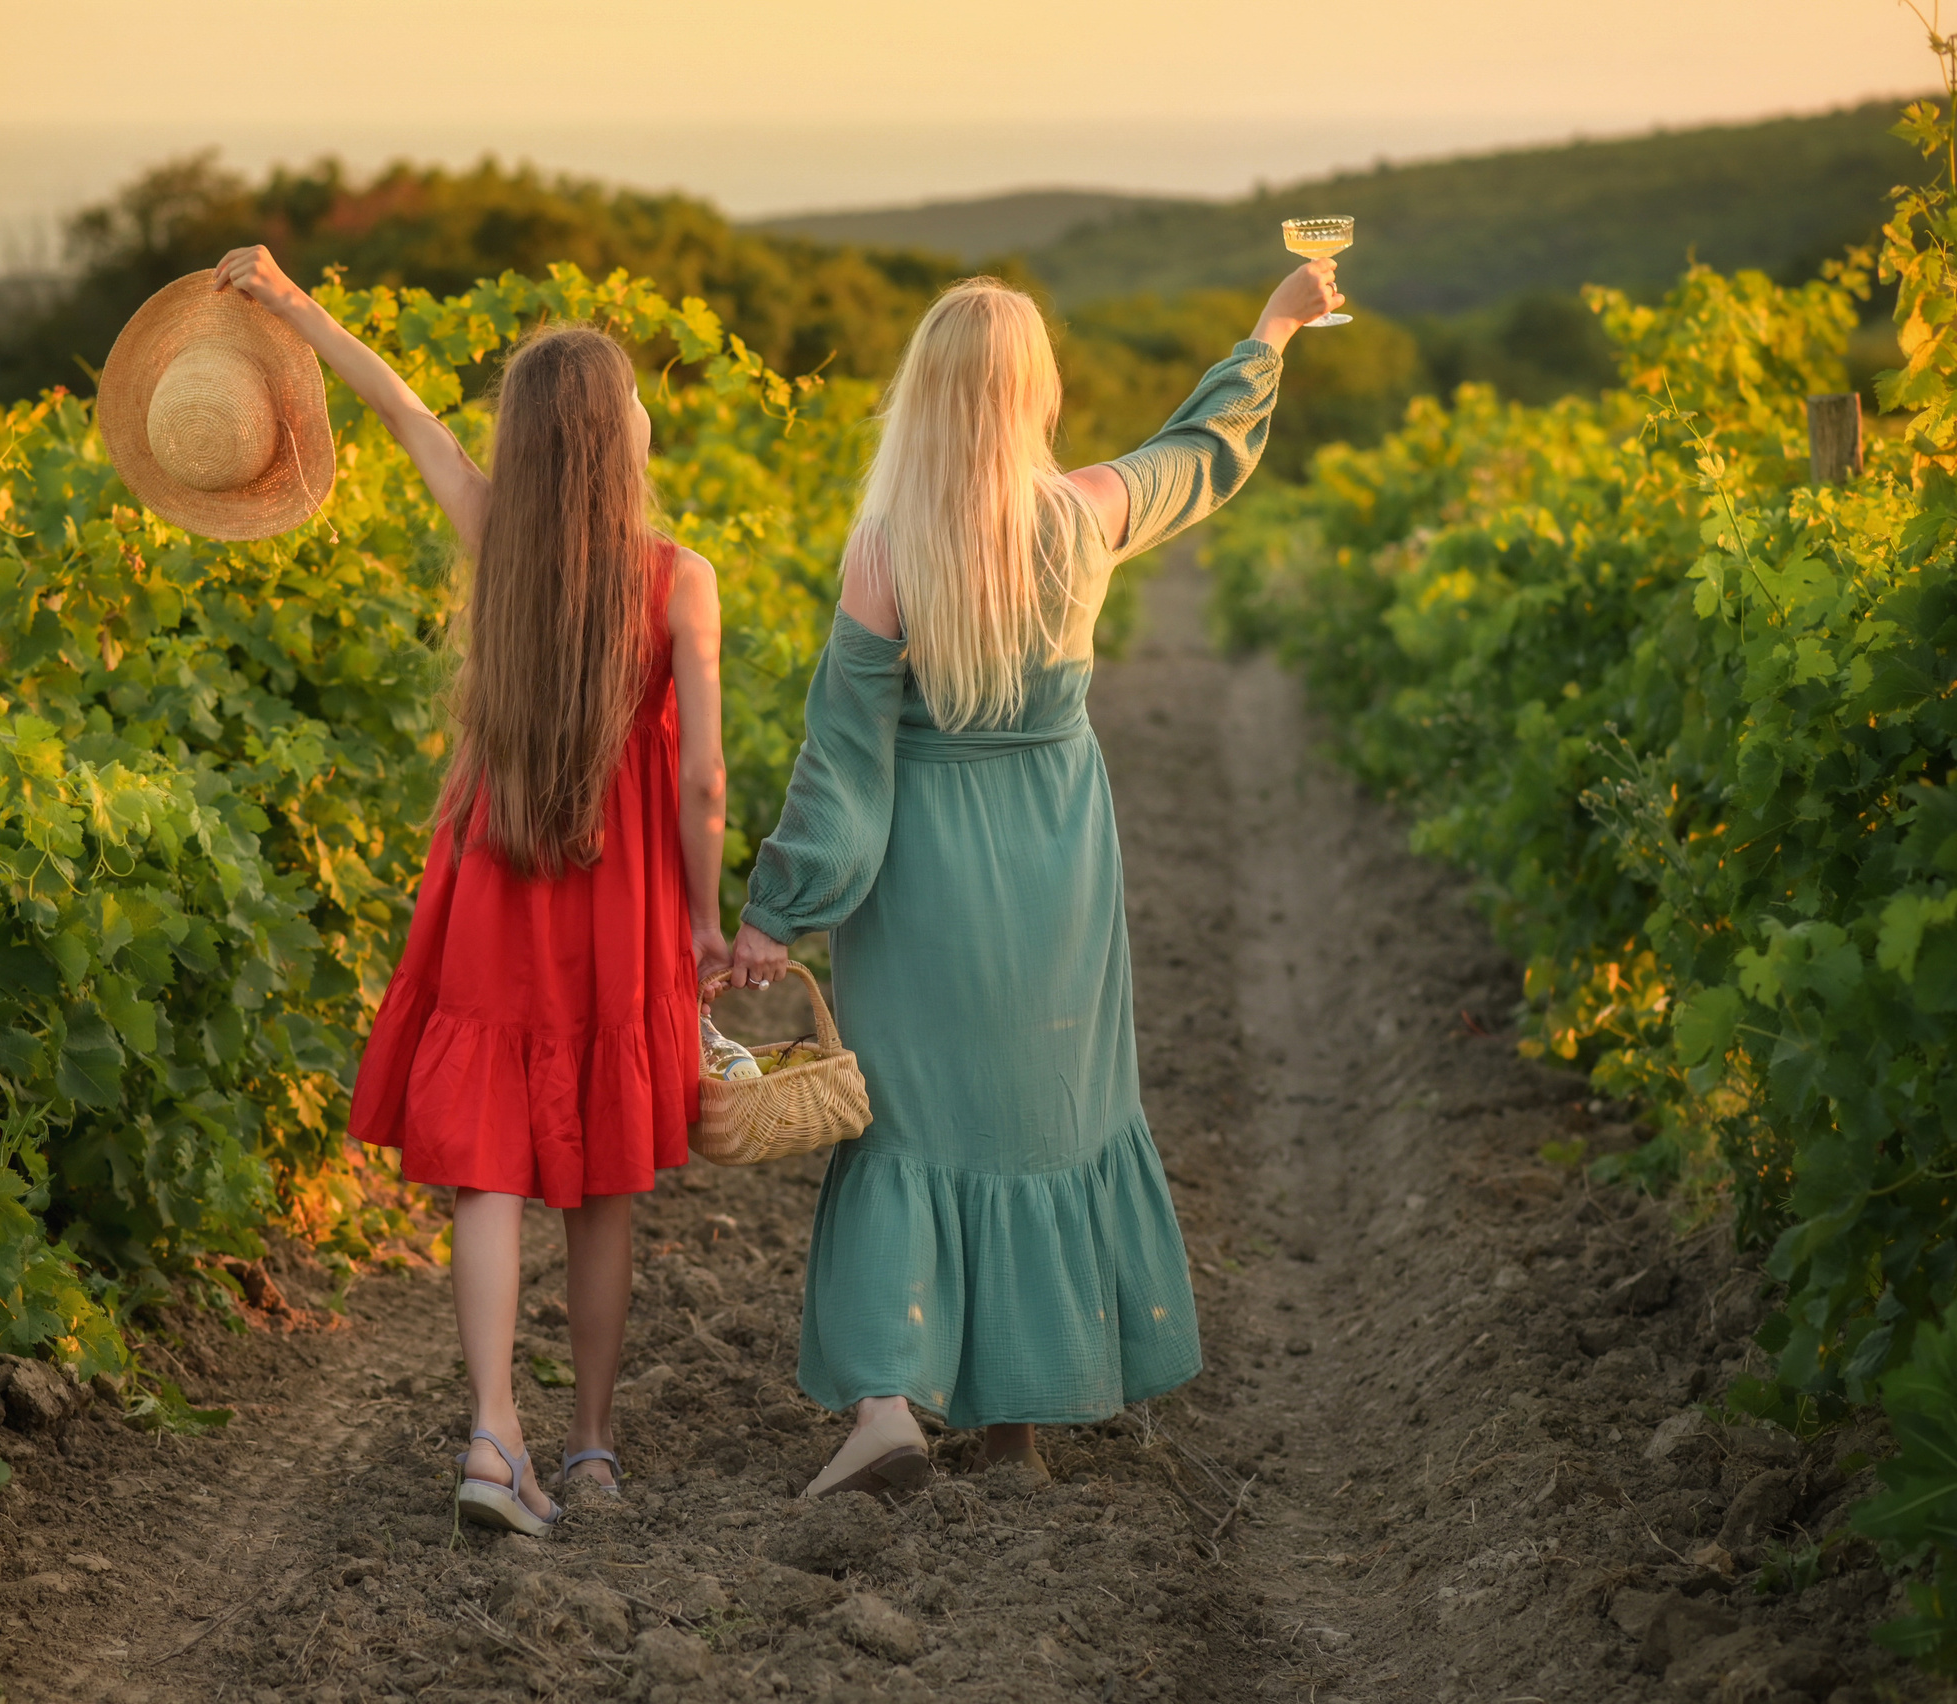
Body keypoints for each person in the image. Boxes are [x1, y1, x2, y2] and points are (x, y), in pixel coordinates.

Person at [729, 261, 1340, 1497]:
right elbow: (1202, 449)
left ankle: (890, 1407)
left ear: (928, 395)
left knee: (907, 1120)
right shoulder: (1086, 513)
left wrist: (773, 913)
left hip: (924, 873)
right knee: (1044, 1113)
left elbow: (843, 766)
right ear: (1032, 394)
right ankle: (1018, 1431)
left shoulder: (886, 549)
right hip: (1058, 853)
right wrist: (1272, 327)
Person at [212, 247, 731, 1535]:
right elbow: (706, 784)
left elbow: (401, 412)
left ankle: (494, 1436)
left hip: (496, 884)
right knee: (602, 1183)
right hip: (619, 912)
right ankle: (594, 1447)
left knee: (488, 1175)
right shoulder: (679, 579)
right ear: (620, 440)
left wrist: (291, 306)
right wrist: (710, 922)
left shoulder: (494, 533)